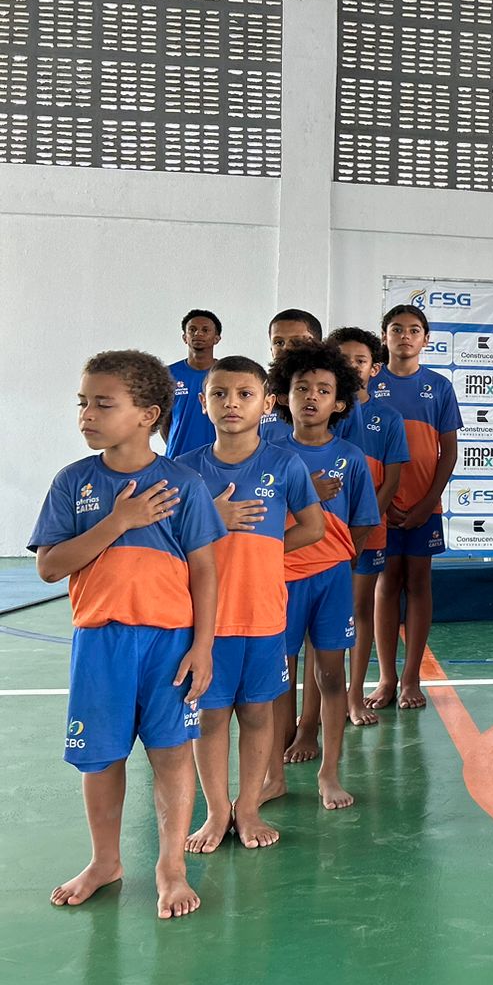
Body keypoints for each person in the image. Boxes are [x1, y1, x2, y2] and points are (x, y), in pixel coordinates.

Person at [31, 350, 226, 917]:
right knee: (101, 758)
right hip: (101, 643)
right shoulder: (74, 482)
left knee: (170, 755)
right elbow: (48, 566)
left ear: (147, 413)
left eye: (103, 404)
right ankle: (105, 860)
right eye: (83, 403)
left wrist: (203, 645)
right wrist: (119, 520)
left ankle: (171, 865)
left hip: (169, 643)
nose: (87, 414)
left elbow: (205, 570)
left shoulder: (182, 484)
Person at [176, 356, 325, 852]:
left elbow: (314, 526)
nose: (231, 403)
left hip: (263, 614)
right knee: (211, 718)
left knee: (259, 715)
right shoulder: (186, 471)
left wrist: (264, 547)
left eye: (244, 394)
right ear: (203, 402)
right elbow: (168, 540)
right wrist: (215, 520)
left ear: (266, 403)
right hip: (204, 622)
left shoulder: (285, 464)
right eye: (220, 394)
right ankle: (218, 812)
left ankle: (251, 807)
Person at [263, 342, 378, 811]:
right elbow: (256, 514)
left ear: (340, 402)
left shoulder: (351, 456)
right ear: (283, 396)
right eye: (301, 388)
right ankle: (272, 775)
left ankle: (329, 773)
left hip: (331, 579)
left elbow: (365, 522)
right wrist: (302, 491)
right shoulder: (266, 450)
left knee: (332, 677)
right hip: (277, 580)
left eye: (323, 390)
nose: (311, 397)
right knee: (275, 680)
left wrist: (340, 561)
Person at [369, 304, 460, 711]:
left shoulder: (439, 386)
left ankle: (411, 678)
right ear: (384, 335)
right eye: (396, 329)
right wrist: (378, 503)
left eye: (414, 330)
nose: (405, 336)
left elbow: (449, 451)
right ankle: (386, 678)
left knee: (419, 584)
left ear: (425, 339)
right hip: (379, 505)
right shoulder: (368, 385)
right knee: (387, 584)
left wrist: (427, 504)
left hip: (424, 507)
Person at [327, 326, 410, 726]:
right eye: (343, 359)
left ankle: (354, 694)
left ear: (374, 368)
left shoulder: (388, 419)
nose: (351, 367)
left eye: (359, 360)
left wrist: (360, 526)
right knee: (324, 617)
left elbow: (391, 481)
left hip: (368, 531)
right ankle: (322, 703)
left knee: (359, 609)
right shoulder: (320, 414)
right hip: (319, 534)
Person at [164, 309, 222, 458]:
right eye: (192, 330)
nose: (198, 334)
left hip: (217, 459)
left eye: (205, 330)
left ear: (216, 338)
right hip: (178, 458)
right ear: (185, 337)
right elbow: (164, 420)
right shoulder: (168, 374)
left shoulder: (226, 373)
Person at [261, 310, 324, 446]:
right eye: (278, 342)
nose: (287, 348)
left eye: (296, 341)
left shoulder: (340, 393)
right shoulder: (258, 391)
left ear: (317, 345)